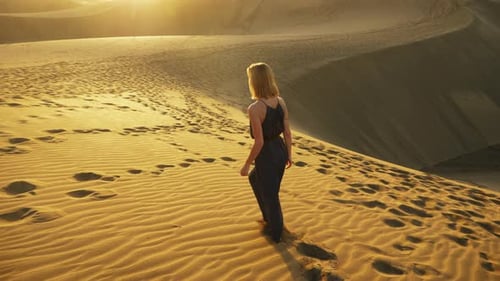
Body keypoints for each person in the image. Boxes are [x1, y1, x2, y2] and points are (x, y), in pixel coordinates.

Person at [240, 62, 292, 243]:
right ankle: (268, 219)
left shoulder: (255, 109)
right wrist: (289, 154)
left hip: (267, 154)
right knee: (255, 179)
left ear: (254, 82)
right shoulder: (281, 101)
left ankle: (276, 237)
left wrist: (247, 163)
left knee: (272, 196)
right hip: (280, 150)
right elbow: (287, 132)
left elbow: (259, 141)